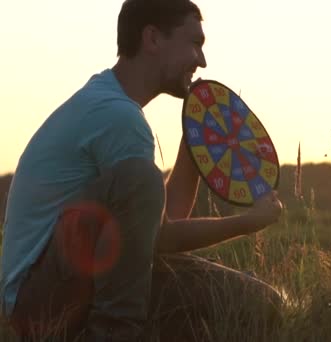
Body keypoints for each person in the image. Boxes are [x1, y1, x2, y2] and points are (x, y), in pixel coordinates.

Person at [0, 0, 284, 341]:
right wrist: (246, 223)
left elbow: (158, 224)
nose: (202, 61)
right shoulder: (118, 115)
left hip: (65, 288)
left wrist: (194, 145)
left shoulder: (109, 103)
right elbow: (165, 236)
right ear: (152, 39)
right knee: (143, 176)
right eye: (194, 43)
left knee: (260, 304)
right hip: (42, 304)